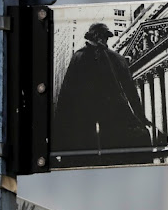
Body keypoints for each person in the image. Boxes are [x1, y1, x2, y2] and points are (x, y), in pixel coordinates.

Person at [53, 22, 153, 166]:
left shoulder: (112, 58)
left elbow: (131, 91)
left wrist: (140, 117)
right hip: (92, 120)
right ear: (95, 37)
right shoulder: (84, 57)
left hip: (105, 118)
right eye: (102, 37)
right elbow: (66, 95)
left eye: (105, 37)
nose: (103, 40)